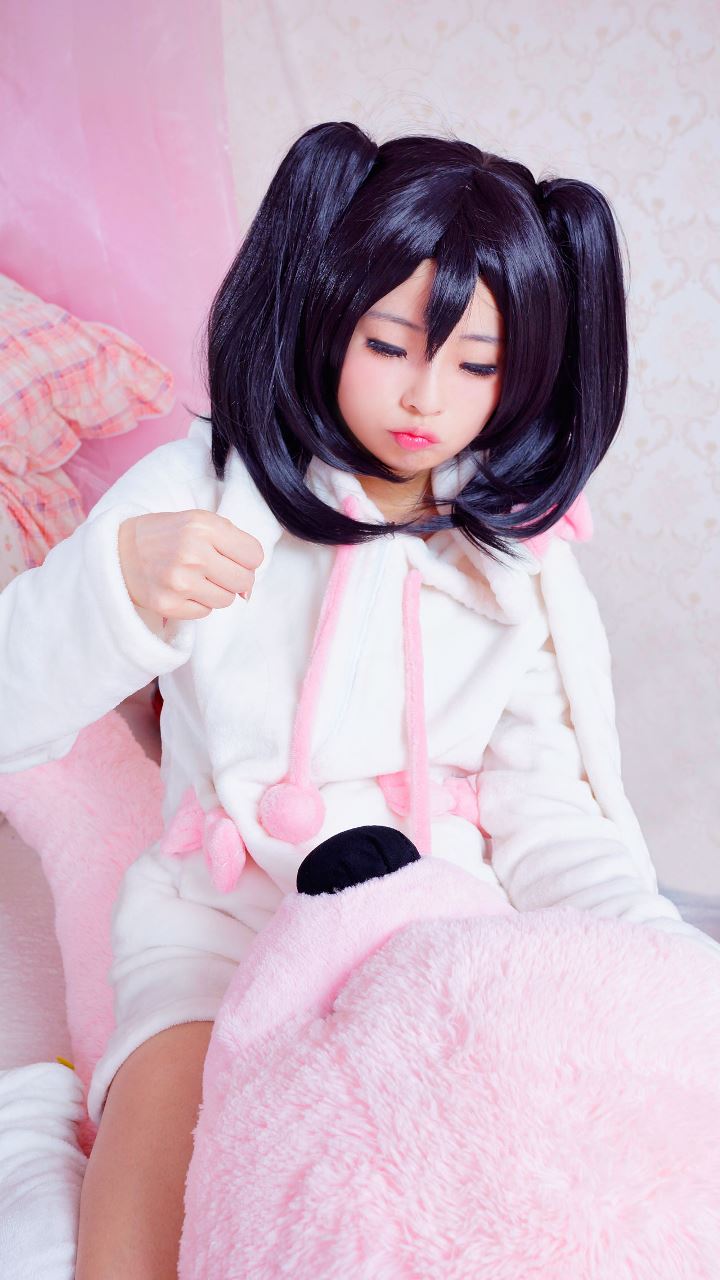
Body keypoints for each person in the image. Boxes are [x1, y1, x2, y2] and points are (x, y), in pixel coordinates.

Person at [1, 121, 716, 1279]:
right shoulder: (205, 490)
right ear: (327, 313)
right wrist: (114, 592)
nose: (427, 396)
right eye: (390, 344)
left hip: (437, 941)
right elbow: (13, 708)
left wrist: (656, 966)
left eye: (476, 364)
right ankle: (41, 1144)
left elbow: (558, 814)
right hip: (219, 936)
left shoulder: (514, 560)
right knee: (139, 1253)